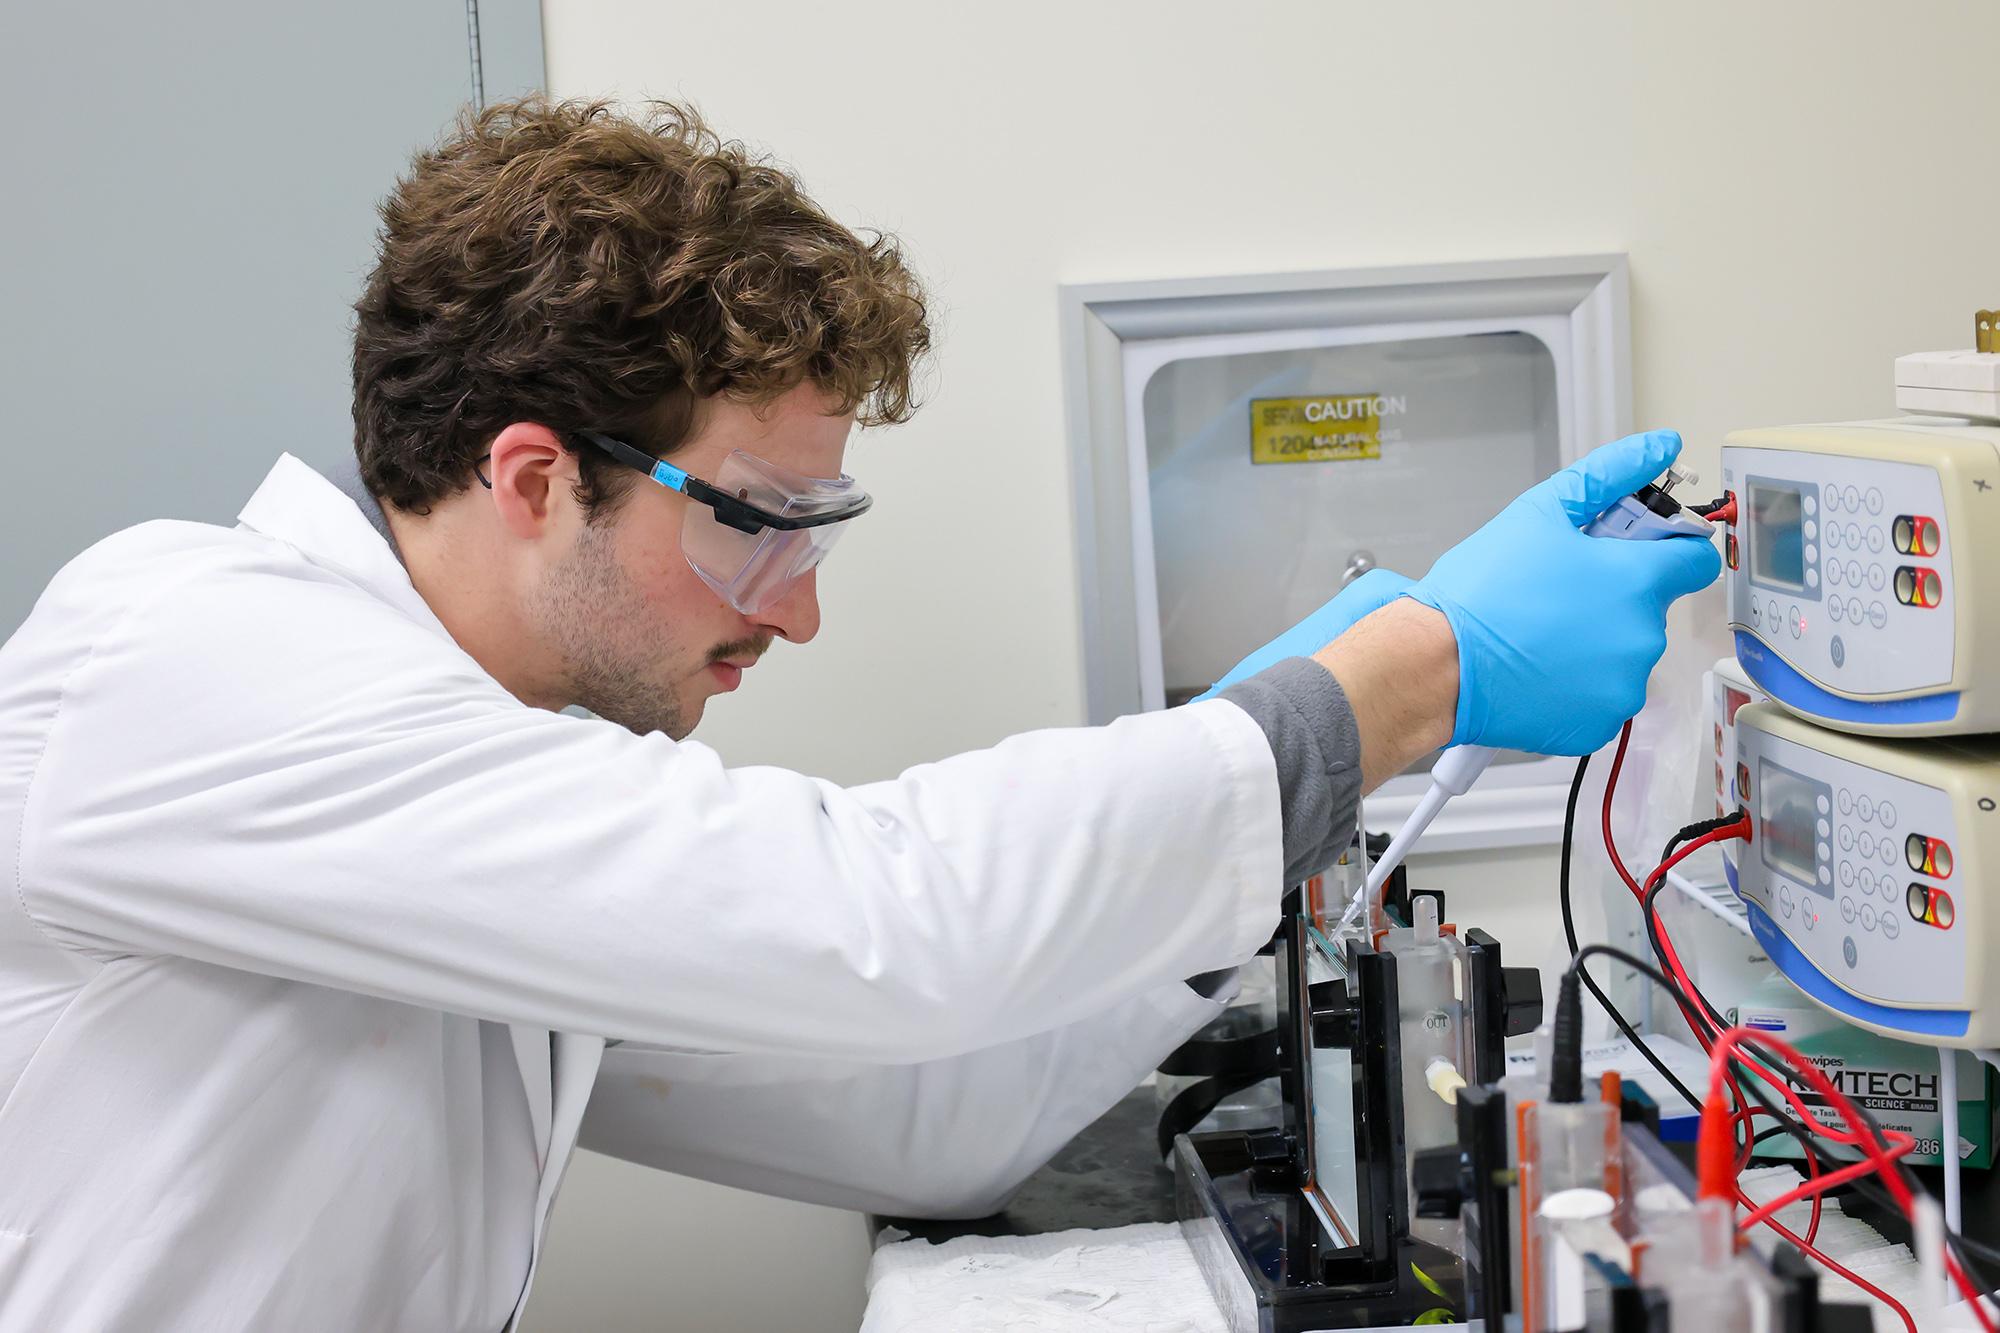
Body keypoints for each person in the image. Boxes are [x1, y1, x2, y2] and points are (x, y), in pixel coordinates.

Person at [0, 99, 1718, 1332]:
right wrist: (1395, 679)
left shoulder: (484, 795)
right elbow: (877, 912)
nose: (798, 610)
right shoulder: (184, 665)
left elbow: (918, 1110)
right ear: (534, 477)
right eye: (755, 523)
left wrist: (1300, 782)